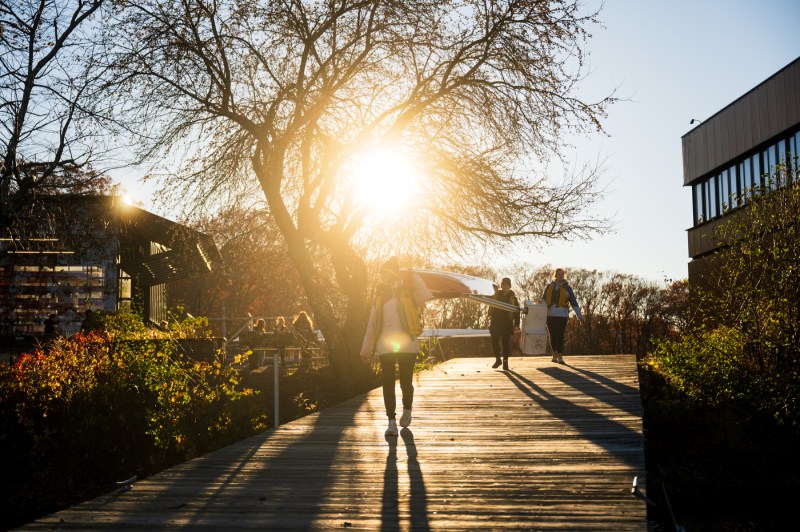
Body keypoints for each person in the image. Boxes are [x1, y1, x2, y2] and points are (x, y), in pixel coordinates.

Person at [360, 256, 432, 437]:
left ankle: (407, 409)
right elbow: (371, 323)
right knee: (387, 383)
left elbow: (425, 294)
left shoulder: (408, 292)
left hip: (407, 343)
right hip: (385, 345)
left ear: (394, 275)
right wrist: (366, 349)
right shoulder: (379, 296)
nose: (385, 278)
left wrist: (413, 275)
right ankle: (391, 421)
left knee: (406, 383)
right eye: (382, 275)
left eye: (387, 274)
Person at [540, 268, 583, 364]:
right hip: (550, 314)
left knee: (560, 334)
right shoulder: (549, 286)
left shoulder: (568, 288)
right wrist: (539, 303)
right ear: (555, 275)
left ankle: (560, 355)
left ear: (564, 276)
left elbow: (574, 302)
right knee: (552, 335)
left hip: (562, 315)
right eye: (558, 274)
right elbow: (543, 299)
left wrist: (579, 316)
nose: (560, 276)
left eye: (562, 274)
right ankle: (554, 353)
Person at [489, 277, 520, 370]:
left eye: (507, 285)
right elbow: (486, 298)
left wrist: (516, 324)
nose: (505, 287)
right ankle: (498, 359)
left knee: (505, 343)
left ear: (509, 287)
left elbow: (516, 312)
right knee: (494, 342)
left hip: (507, 323)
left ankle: (505, 362)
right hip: (495, 322)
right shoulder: (496, 295)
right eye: (503, 285)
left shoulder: (513, 298)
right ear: (501, 286)